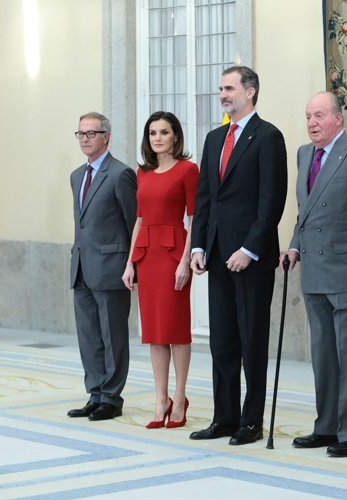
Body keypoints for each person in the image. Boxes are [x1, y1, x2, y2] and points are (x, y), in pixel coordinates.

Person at [284, 92, 347, 457]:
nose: (312, 123)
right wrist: (294, 245)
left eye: (319, 116)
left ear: (338, 119)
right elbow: (305, 211)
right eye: (308, 116)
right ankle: (327, 425)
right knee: (323, 355)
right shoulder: (304, 154)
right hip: (314, 271)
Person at [189, 66, 287, 445]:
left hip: (251, 260)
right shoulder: (215, 138)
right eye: (220, 89)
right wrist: (199, 246)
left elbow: (271, 201)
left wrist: (249, 249)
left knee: (252, 342)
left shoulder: (268, 137)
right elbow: (205, 198)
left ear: (250, 92)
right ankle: (224, 418)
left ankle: (251, 422)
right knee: (222, 343)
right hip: (217, 257)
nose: (223, 95)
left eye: (229, 88)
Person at [122, 112, 199, 429]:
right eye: (153, 133)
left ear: (175, 136)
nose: (158, 138)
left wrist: (185, 260)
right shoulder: (142, 173)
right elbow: (139, 219)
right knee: (154, 332)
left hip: (173, 253)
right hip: (146, 255)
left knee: (176, 330)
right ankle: (160, 399)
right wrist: (130, 262)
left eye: (164, 132)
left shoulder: (188, 170)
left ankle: (179, 398)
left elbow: (194, 217)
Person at [67, 112, 137, 421]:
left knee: (113, 337)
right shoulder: (76, 176)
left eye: (91, 133)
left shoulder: (120, 174)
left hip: (111, 268)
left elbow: (133, 224)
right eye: (81, 134)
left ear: (106, 136)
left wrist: (132, 265)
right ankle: (95, 394)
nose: (85, 139)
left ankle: (111, 397)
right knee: (88, 335)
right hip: (82, 267)